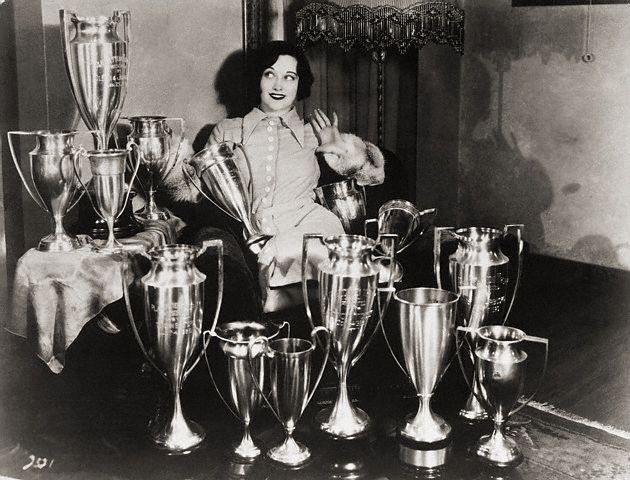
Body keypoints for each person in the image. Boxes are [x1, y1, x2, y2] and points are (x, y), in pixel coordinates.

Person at [165, 41, 385, 313]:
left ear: (299, 83)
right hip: (249, 229)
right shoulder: (228, 130)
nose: (279, 86)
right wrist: (166, 157)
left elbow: (373, 177)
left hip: (309, 225)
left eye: (289, 77)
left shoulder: (313, 132)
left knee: (312, 253)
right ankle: (288, 298)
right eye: (270, 74)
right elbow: (195, 189)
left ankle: (283, 297)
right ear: (257, 77)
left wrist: (342, 150)